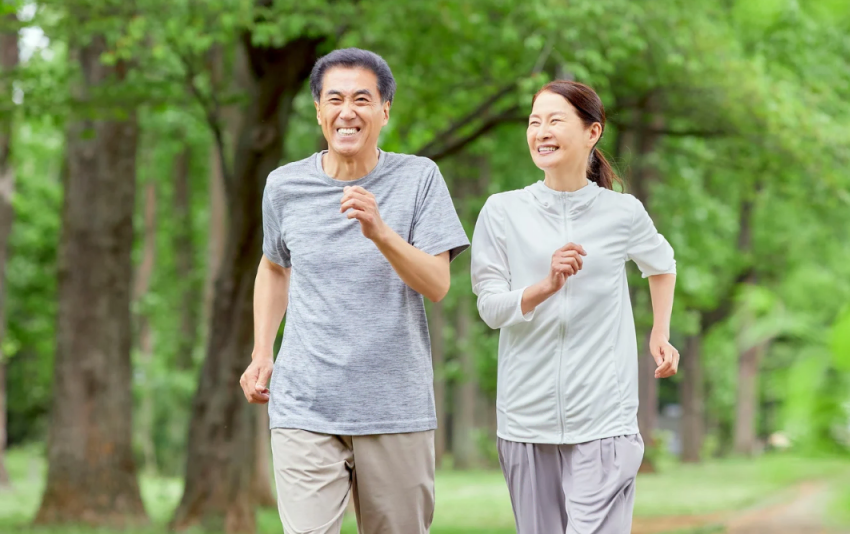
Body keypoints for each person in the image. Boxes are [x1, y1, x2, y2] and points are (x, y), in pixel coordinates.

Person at [238, 48, 469, 534]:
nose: (348, 111)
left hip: (395, 406)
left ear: (385, 110)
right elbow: (274, 267)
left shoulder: (419, 178)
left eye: (362, 99)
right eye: (334, 99)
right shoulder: (284, 186)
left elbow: (437, 283)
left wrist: (382, 233)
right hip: (305, 402)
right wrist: (262, 351)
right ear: (318, 111)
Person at [470, 80, 679, 534]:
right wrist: (545, 286)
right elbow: (489, 307)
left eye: (555, 120)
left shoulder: (622, 213)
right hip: (526, 419)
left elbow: (662, 264)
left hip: (605, 416)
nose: (541, 131)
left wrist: (659, 332)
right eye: (534, 122)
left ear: (593, 132)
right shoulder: (502, 212)